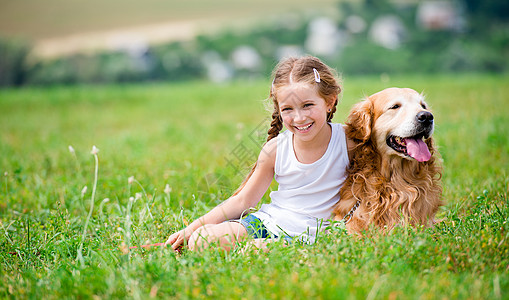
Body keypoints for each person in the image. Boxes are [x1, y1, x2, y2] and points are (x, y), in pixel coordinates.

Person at [165, 56, 352, 252]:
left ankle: (276, 249)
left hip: (314, 234)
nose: (299, 117)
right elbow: (243, 201)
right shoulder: (276, 149)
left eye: (308, 105)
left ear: (329, 102)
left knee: (253, 246)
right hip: (268, 223)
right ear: (278, 110)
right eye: (288, 109)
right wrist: (191, 229)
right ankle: (265, 248)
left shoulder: (348, 142)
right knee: (201, 240)